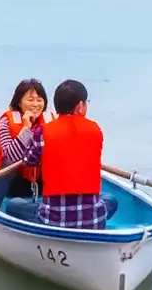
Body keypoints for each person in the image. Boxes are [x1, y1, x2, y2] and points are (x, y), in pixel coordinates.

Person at [34, 78, 106, 226]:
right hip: (93, 222)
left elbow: (30, 161)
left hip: (53, 221)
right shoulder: (95, 129)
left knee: (15, 205)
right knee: (110, 200)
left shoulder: (42, 132)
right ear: (80, 106)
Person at [0, 78, 47, 201]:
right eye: (30, 100)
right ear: (19, 102)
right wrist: (26, 129)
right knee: (8, 162)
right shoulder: (6, 121)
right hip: (15, 184)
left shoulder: (51, 120)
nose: (35, 104)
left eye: (39, 100)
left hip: (43, 183)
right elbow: (10, 156)